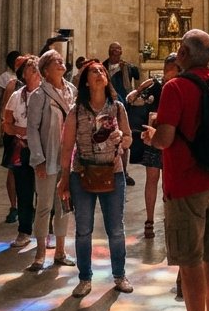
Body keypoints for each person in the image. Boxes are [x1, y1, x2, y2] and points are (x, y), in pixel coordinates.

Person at [143, 29, 209, 311]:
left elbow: (166, 139)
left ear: (182, 53)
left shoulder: (176, 87)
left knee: (191, 262)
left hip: (186, 184)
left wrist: (151, 135)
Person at [56, 60, 133, 297]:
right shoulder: (76, 111)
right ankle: (84, 278)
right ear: (86, 81)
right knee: (83, 229)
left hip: (113, 172)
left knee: (116, 230)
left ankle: (119, 275)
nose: (99, 74)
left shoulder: (118, 107)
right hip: (83, 174)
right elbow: (67, 147)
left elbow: (129, 139)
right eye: (93, 71)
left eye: (102, 71)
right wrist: (64, 179)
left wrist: (121, 137)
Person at [25, 49, 75, 270]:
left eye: (61, 60)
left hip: (69, 158)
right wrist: (38, 159)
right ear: (45, 69)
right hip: (48, 156)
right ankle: (40, 253)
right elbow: (32, 129)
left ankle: (61, 251)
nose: (60, 62)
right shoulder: (39, 95)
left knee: (64, 205)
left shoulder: (72, 91)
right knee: (44, 206)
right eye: (55, 61)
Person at [125, 53, 178, 236]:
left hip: (171, 138)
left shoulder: (179, 85)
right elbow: (133, 99)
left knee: (169, 181)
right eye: (170, 68)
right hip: (153, 136)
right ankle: (149, 220)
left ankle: (169, 218)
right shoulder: (155, 85)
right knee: (152, 179)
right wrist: (139, 90)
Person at [3, 55, 41, 248]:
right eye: (29, 67)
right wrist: (24, 132)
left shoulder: (48, 94)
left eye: (37, 66)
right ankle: (24, 230)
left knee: (44, 191)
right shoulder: (17, 96)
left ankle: (46, 231)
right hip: (24, 147)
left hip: (44, 149)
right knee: (24, 190)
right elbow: (7, 125)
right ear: (23, 74)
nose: (34, 68)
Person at [104, 42, 140, 186]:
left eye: (118, 49)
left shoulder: (126, 67)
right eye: (113, 49)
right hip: (107, 106)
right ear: (109, 51)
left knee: (124, 139)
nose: (116, 52)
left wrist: (129, 68)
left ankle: (123, 172)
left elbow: (137, 75)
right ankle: (108, 170)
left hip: (123, 106)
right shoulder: (103, 66)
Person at [0, 50, 21, 224]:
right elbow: (4, 110)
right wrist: (8, 129)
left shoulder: (39, 85)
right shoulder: (13, 84)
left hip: (31, 136)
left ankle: (27, 206)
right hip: (14, 135)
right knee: (13, 170)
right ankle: (14, 207)